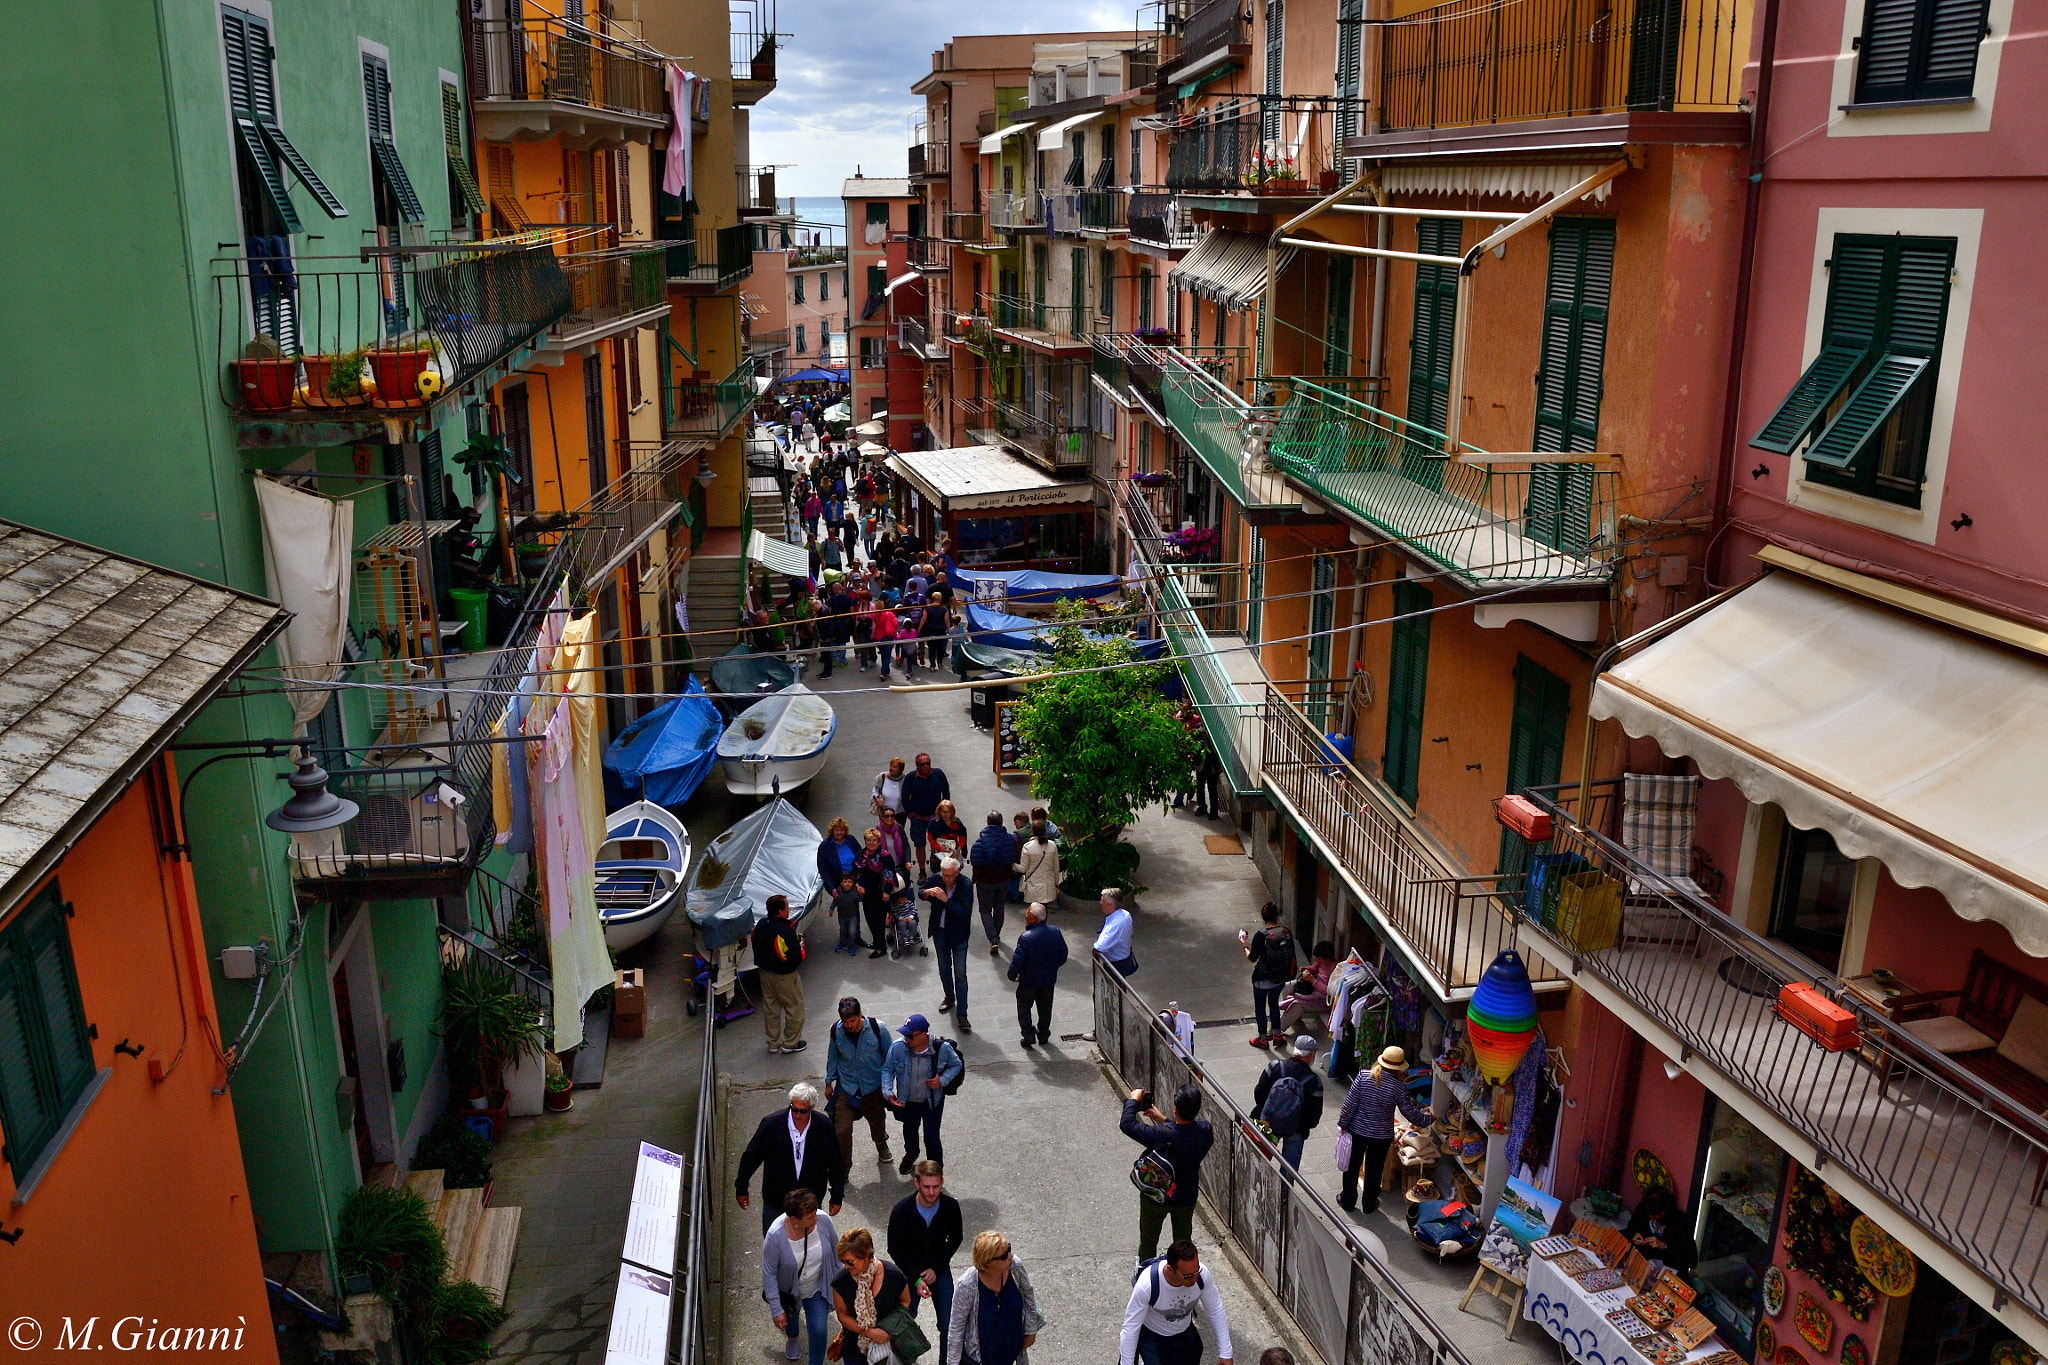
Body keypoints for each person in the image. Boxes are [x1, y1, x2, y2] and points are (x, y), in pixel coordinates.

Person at [1120, 1085, 1214, 1264]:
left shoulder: (1161, 1135)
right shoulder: (1205, 1131)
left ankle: (1145, 1276)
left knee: (1148, 1242)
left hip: (1156, 1196)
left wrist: (1133, 1100)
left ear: (1175, 1108)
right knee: (1183, 1244)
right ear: (1199, 1108)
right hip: (1186, 1197)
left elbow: (1127, 1124)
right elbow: (1183, 1133)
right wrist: (1162, 1119)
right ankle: (1183, 1276)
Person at [737, 1082, 846, 1234]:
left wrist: (837, 1196)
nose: (797, 1115)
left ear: (812, 1108)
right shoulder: (771, 1125)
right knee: (775, 1248)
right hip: (776, 1203)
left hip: (809, 1205)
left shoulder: (824, 1127)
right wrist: (741, 1187)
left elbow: (835, 1163)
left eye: (803, 1111)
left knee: (809, 1249)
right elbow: (751, 1156)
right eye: (794, 1109)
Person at [1336, 1046, 1432, 1213]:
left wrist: (1343, 1125)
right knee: (1374, 1171)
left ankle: (1348, 1201)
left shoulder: (1363, 1077)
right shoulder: (1398, 1087)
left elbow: (1349, 1106)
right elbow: (1410, 1114)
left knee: (1352, 1169)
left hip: (1357, 1131)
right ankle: (1369, 1204)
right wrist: (1429, 1119)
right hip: (1381, 1137)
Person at [888, 1163, 964, 1356]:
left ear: (942, 1183)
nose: (931, 1192)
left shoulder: (950, 1207)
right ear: (916, 1183)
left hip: (939, 1269)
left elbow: (956, 1238)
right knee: (902, 1325)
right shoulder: (901, 1211)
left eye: (936, 1187)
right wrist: (916, 1278)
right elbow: (895, 1249)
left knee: (949, 1325)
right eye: (926, 1187)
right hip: (910, 1271)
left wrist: (936, 1269)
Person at [1119, 1240, 1232, 1365]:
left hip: (1184, 1332)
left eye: (1196, 1272)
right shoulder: (1148, 1285)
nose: (1194, 1279)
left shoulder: (1202, 1276)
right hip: (1152, 1337)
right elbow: (1130, 1328)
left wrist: (1226, 1352)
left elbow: (1215, 1309)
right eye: (1188, 1276)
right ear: (1170, 1269)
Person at [946, 1231, 1043, 1365]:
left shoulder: (1015, 1267)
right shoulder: (967, 1285)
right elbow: (956, 1329)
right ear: (987, 1262)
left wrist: (1030, 1330)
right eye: (1003, 1256)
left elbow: (1028, 1298)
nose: (1011, 1256)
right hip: (983, 1358)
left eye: (1008, 1249)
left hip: (1012, 1350)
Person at [763, 1189, 837, 1365]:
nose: (816, 1219)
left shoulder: (823, 1220)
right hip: (790, 1292)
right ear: (794, 1220)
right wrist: (776, 1310)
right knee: (791, 1319)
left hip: (817, 1288)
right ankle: (793, 1337)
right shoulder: (775, 1235)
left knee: (819, 1330)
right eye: (810, 1217)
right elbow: (769, 1273)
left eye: (815, 1213)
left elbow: (836, 1251)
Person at [882, 1014, 963, 1173]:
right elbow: (887, 1070)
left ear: (923, 1034)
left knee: (932, 1137)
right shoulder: (898, 1047)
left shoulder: (942, 1049)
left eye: (910, 1036)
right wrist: (887, 1091)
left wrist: (942, 1080)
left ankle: (935, 1170)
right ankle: (912, 1154)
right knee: (909, 1131)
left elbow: (956, 1064)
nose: (906, 1039)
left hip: (932, 1101)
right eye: (905, 1035)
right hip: (908, 1100)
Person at [831, 1227, 914, 1365]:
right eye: (843, 1261)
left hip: (891, 1345)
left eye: (850, 1262)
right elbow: (843, 1316)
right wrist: (869, 1332)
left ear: (866, 1255)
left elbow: (905, 1301)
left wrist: (888, 1329)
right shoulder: (841, 1282)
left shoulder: (893, 1275)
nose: (845, 1266)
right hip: (855, 1347)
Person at [827, 998, 894, 1168]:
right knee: (841, 1130)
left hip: (872, 1086)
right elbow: (833, 1057)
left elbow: (890, 1058)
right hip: (847, 1087)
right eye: (845, 1021)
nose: (849, 1025)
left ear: (860, 1015)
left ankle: (880, 1143)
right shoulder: (836, 1031)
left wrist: (889, 1087)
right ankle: (843, 1167)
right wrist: (829, 1081)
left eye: (852, 1021)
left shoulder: (878, 1028)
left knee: (877, 1120)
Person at [1251, 1036, 1325, 1170]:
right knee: (1288, 1171)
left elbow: (1259, 1093)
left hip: (1267, 1124)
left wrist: (1269, 1113)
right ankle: (1284, 1190)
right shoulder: (1314, 1081)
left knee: (1257, 1163)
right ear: (1312, 1054)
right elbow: (1314, 1116)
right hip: (1296, 1130)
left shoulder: (1275, 1067)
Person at [922, 857, 976, 1029]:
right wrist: (927, 893)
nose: (945, 879)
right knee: (944, 969)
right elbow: (920, 891)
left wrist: (947, 900)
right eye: (943, 875)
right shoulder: (937, 879)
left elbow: (964, 913)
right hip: (940, 932)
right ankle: (949, 997)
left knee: (960, 974)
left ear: (957, 873)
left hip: (959, 935)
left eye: (949, 876)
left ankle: (962, 1015)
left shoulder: (965, 885)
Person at [1006, 903, 1068, 1047]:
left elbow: (1018, 960)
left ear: (1034, 918)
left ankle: (1028, 1035)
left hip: (1028, 981)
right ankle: (1043, 1034)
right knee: (1045, 1008)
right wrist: (1053, 967)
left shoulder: (1026, 938)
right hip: (1048, 980)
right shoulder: (1055, 932)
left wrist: (1012, 975)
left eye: (1028, 913)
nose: (1026, 915)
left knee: (1024, 1008)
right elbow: (1063, 955)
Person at [754, 894, 808, 1054]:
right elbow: (792, 957)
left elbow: (756, 942)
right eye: (786, 907)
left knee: (771, 1008)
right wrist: (800, 947)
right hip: (784, 976)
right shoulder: (784, 931)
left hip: (764, 973)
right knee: (794, 1008)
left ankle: (772, 1043)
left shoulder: (762, 924)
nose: (789, 909)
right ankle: (790, 1043)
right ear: (780, 911)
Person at [1241, 903, 1296, 1049]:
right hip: (1279, 979)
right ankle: (1277, 1036)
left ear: (1263, 917)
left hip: (1262, 979)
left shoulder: (1261, 936)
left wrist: (1245, 945)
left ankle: (1263, 1039)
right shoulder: (1285, 931)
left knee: (1260, 1007)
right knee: (1273, 1005)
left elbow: (1252, 958)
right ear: (1277, 916)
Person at [969, 811, 1020, 954]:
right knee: (999, 907)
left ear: (987, 822)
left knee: (985, 910)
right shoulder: (1010, 840)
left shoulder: (979, 843)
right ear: (1002, 822)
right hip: (1003, 879)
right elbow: (1016, 856)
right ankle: (996, 934)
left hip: (984, 881)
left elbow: (975, 861)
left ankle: (993, 938)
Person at [1625, 1185, 1698, 1274]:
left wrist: (1665, 1246)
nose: (1650, 1217)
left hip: (1668, 1270)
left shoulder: (1680, 1222)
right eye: (1649, 1213)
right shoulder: (1644, 1208)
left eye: (1655, 1214)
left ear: (1665, 1211)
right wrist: (1634, 1234)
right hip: (1643, 1264)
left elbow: (1691, 1260)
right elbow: (1632, 1225)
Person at [901, 754, 952, 877]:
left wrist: (945, 810)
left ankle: (940, 868)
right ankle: (922, 871)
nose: (926, 766)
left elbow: (946, 791)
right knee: (920, 845)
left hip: (936, 818)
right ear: (917, 766)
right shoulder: (911, 778)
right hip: (918, 818)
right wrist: (910, 814)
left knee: (940, 843)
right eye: (922, 764)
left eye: (928, 763)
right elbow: (904, 797)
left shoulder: (938, 775)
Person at [855, 830, 902, 959]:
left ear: (879, 842)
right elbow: (857, 872)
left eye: (874, 840)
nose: (871, 843)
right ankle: (877, 942)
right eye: (869, 840)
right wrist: (857, 884)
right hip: (867, 893)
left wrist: (887, 892)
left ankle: (880, 948)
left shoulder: (884, 855)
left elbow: (889, 874)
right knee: (870, 919)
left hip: (880, 893)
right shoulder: (861, 854)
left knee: (878, 921)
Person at [1094, 887, 1137, 978]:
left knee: (1115, 988)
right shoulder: (1125, 914)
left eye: (1102, 901)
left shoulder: (1115, 924)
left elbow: (1099, 948)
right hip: (1125, 958)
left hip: (1116, 964)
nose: (1100, 903)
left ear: (1109, 904)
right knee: (1120, 985)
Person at [1276, 968, 1329, 1041]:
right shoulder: (1321, 964)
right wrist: (1307, 970)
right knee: (1287, 987)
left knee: (1296, 1005)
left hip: (1321, 1000)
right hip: (1311, 989)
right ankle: (1293, 1017)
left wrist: (1313, 981)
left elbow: (1328, 991)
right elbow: (1313, 968)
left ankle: (1278, 1028)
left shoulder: (1333, 969)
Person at [833, 873, 865, 955]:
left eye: (850, 882)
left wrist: (862, 894)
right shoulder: (839, 890)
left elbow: (861, 899)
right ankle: (843, 943)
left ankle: (851, 945)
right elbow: (835, 900)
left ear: (853, 883)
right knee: (843, 930)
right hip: (842, 915)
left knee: (852, 931)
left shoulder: (855, 891)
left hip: (853, 916)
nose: (847, 884)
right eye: (845, 881)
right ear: (841, 883)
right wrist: (831, 909)